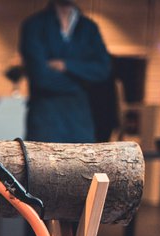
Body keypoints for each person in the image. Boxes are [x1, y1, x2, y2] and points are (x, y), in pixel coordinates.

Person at [20, 0, 110, 143]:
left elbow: (103, 70)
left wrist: (67, 65)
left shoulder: (89, 27)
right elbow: (41, 77)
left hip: (80, 122)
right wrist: (82, 81)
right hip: (45, 121)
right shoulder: (34, 25)